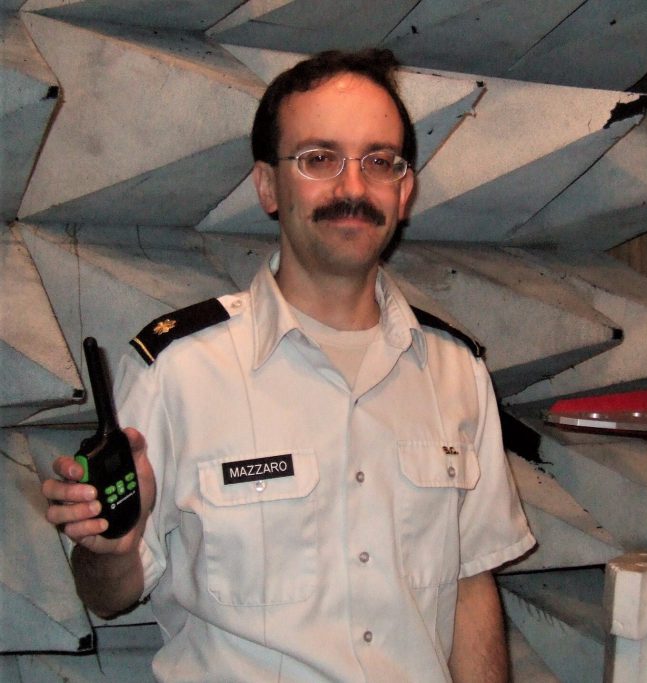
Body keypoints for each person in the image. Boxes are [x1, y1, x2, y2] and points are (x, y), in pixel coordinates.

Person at [41, 48, 536, 683]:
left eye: (379, 162)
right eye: (318, 159)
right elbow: (108, 593)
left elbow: (470, 586)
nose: (353, 188)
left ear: (404, 189)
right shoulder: (179, 370)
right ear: (268, 186)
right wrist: (108, 546)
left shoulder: (456, 371)